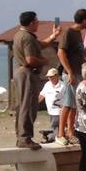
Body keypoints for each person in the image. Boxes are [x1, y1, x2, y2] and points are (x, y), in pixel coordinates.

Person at [12, 11, 53, 150]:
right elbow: (30, 60)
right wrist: (44, 61)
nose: (38, 24)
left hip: (20, 73)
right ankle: (25, 137)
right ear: (31, 23)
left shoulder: (21, 35)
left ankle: (21, 137)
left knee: (22, 105)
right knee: (28, 106)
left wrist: (54, 35)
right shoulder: (27, 38)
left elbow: (41, 45)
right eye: (36, 21)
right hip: (27, 73)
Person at [57, 9, 86, 145]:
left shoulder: (78, 34)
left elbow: (79, 54)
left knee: (74, 105)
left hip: (78, 73)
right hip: (70, 74)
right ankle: (60, 133)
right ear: (83, 20)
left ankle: (70, 132)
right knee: (67, 103)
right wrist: (69, 71)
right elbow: (61, 53)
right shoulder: (69, 33)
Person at [38, 68, 66, 142]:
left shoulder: (63, 86)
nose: (49, 78)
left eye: (51, 76)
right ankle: (48, 135)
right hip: (50, 111)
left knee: (56, 127)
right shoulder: (47, 85)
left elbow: (66, 99)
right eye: (48, 77)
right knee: (55, 127)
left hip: (59, 111)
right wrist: (34, 104)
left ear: (57, 76)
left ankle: (50, 137)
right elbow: (42, 95)